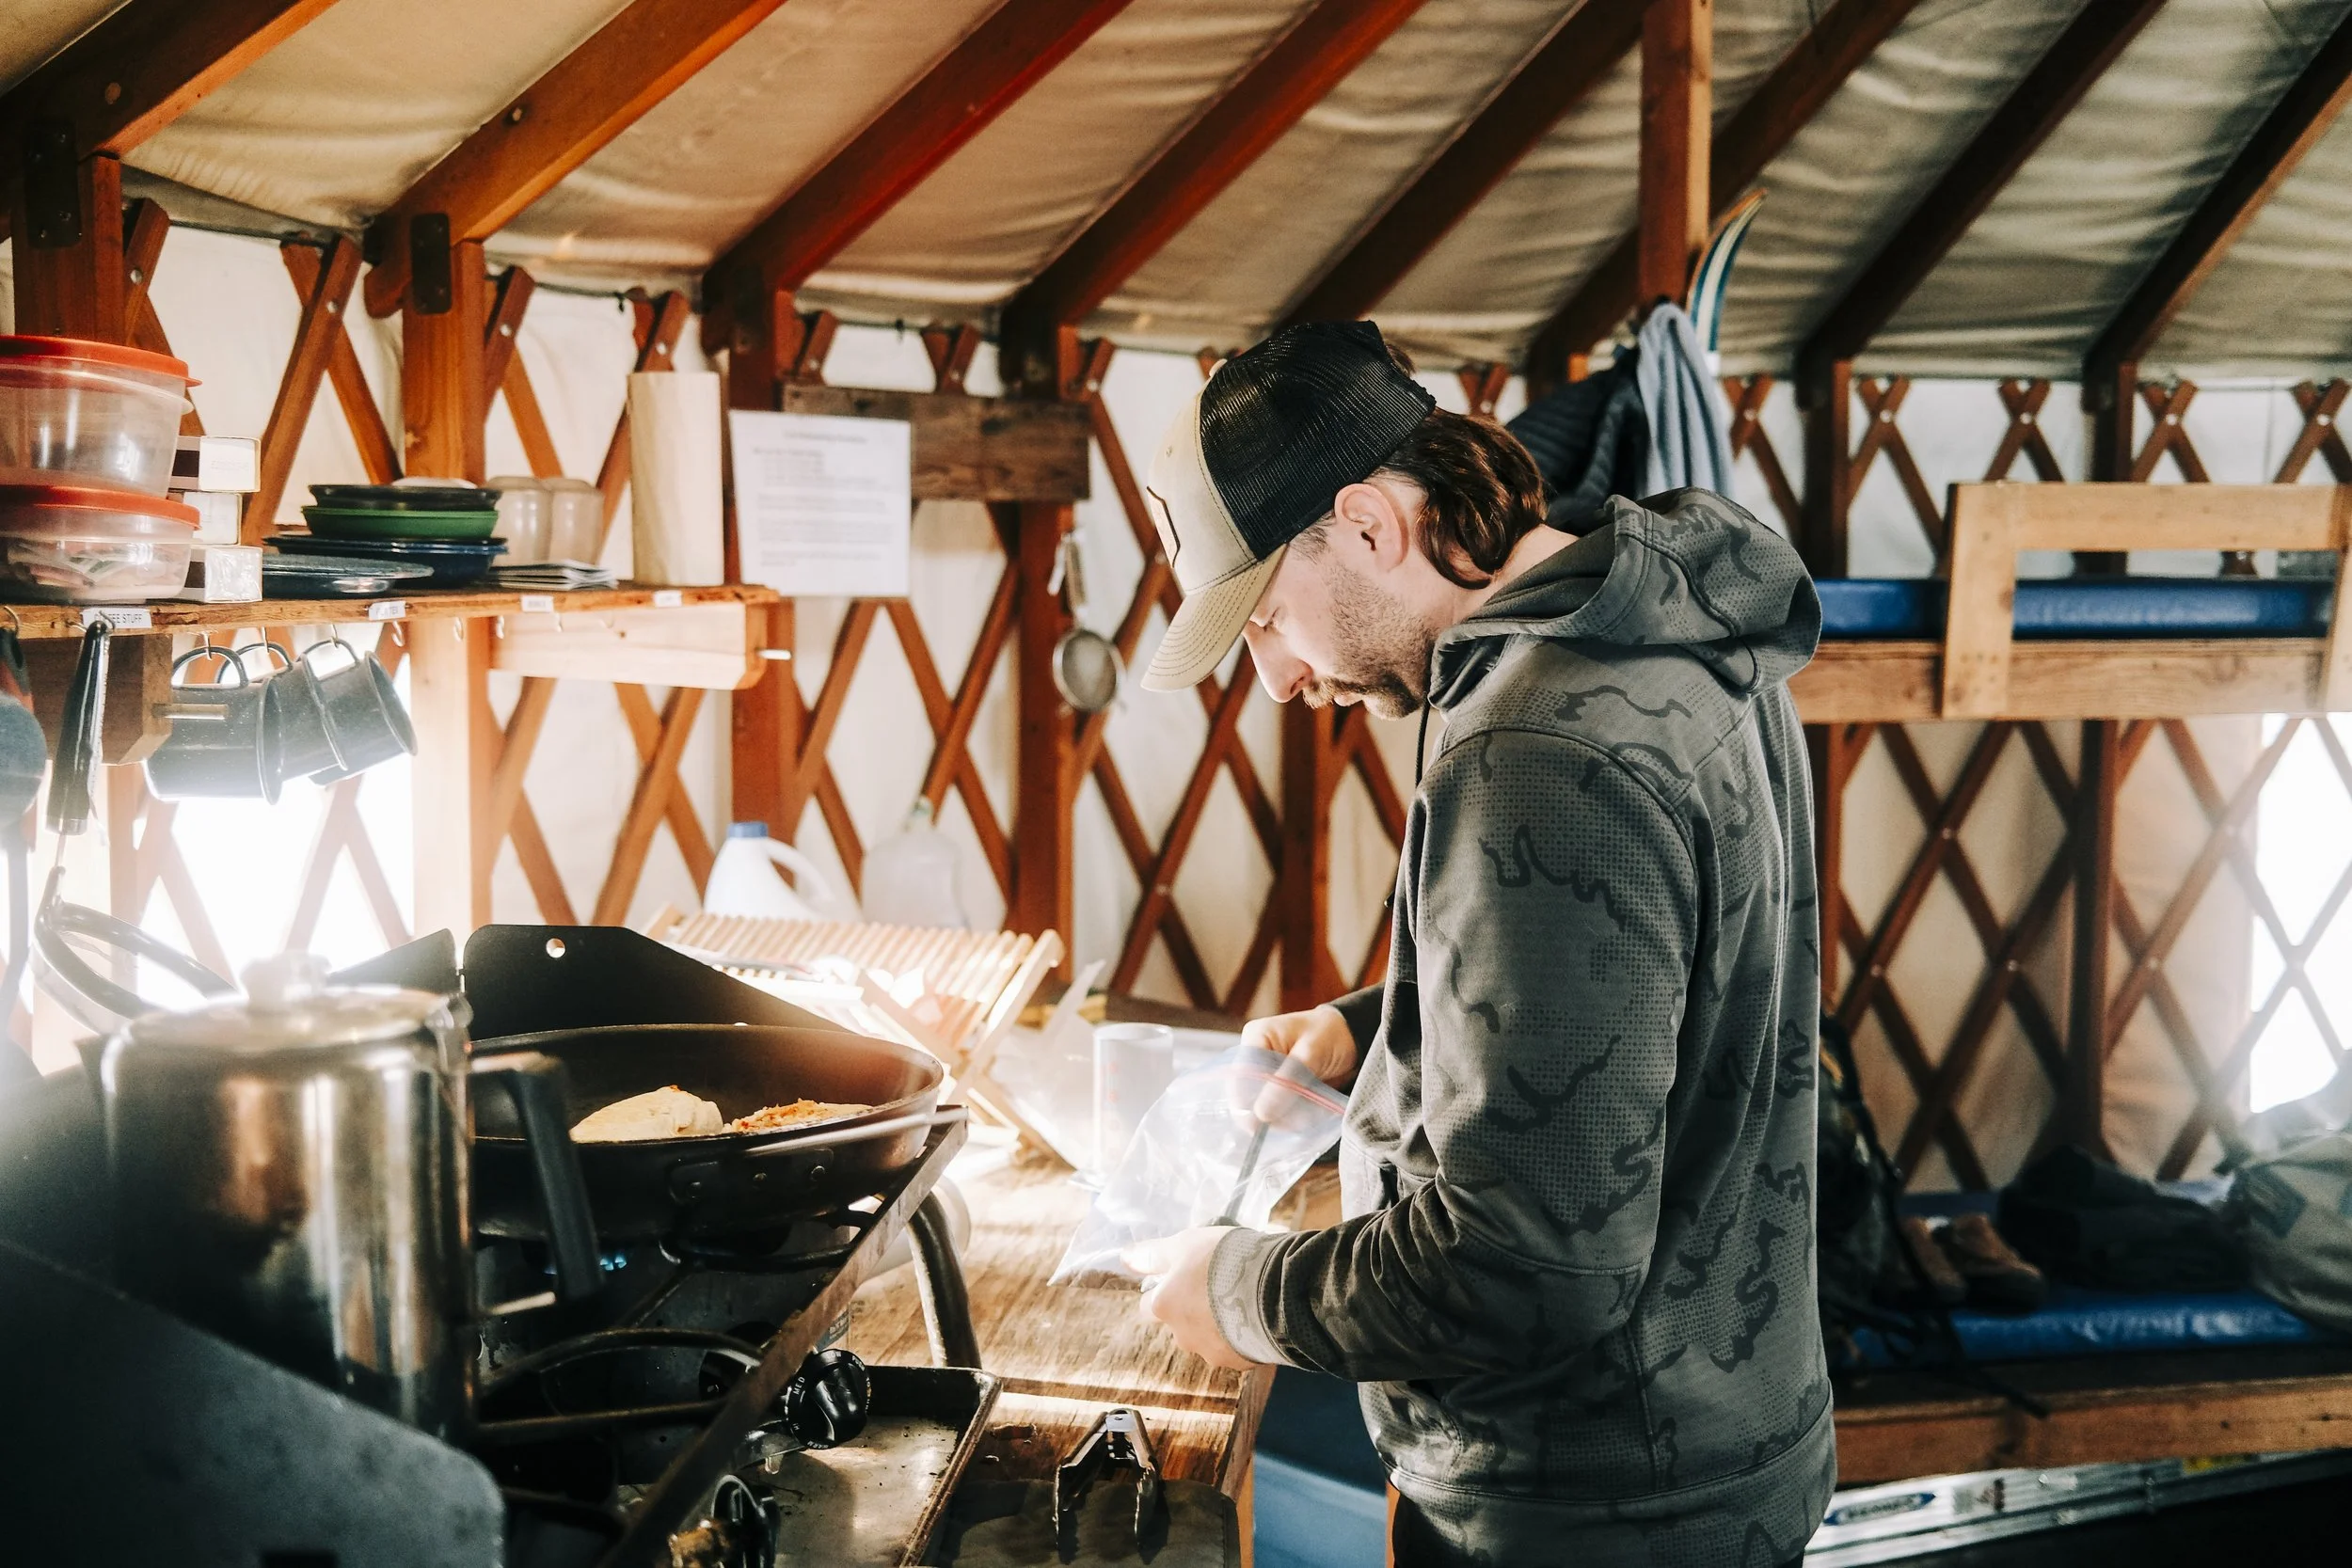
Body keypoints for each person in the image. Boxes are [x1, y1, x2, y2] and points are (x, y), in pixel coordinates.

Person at [1120, 321, 1832, 1567]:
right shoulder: (1665, 626)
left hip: (1584, 1509)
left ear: (1370, 526)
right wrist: (1375, 1025)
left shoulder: (1537, 750)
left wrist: (1235, 1288)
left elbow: (1529, 1264)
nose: (1279, 680)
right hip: (1717, 1434)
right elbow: (1665, 968)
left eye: (1271, 618)